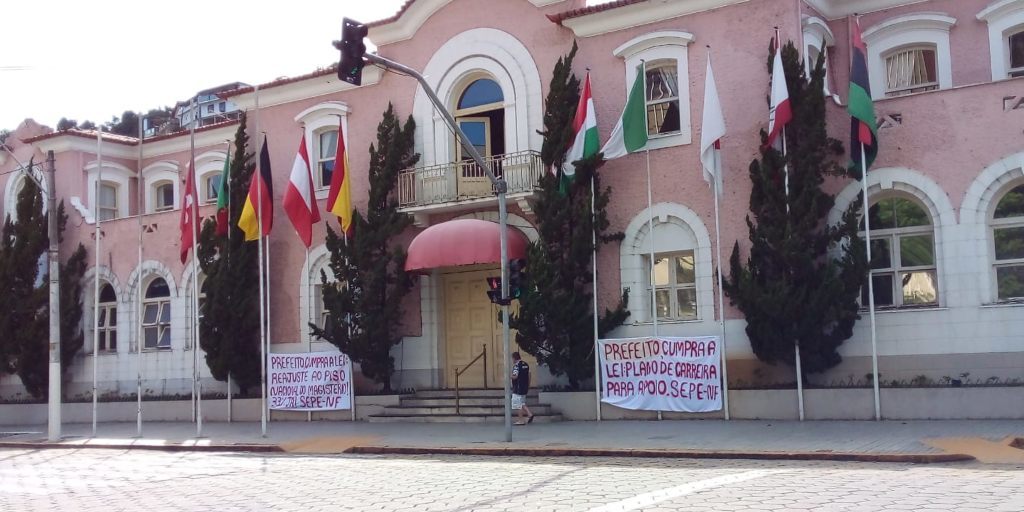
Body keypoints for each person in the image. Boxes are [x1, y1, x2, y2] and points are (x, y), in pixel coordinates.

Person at [510, 352, 533, 425]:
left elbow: (515, 376)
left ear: (514, 358)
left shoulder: (516, 366)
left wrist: (509, 376)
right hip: (524, 387)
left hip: (518, 388)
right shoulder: (526, 364)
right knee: (522, 402)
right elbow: (529, 375)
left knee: (518, 404)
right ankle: (530, 414)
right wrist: (528, 385)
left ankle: (521, 420)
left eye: (512, 358)